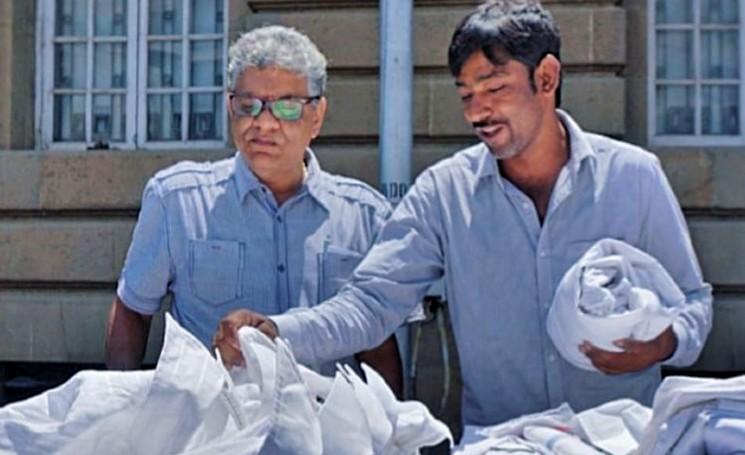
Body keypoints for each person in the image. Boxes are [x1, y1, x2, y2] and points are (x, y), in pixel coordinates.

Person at [214, 0, 712, 426]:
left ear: (547, 77)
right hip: (502, 444)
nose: (477, 111)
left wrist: (664, 343)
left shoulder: (633, 177)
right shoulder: (443, 193)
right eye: (466, 95)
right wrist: (280, 331)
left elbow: (693, 302)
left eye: (494, 89)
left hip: (624, 439)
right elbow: (370, 304)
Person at [105, 25, 402, 394]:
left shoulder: (363, 216)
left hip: (327, 432)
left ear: (317, 116)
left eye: (286, 107)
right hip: (213, 433)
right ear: (231, 107)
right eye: (248, 106)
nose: (263, 123)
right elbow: (133, 309)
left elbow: (377, 343)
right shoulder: (176, 201)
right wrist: (120, 408)